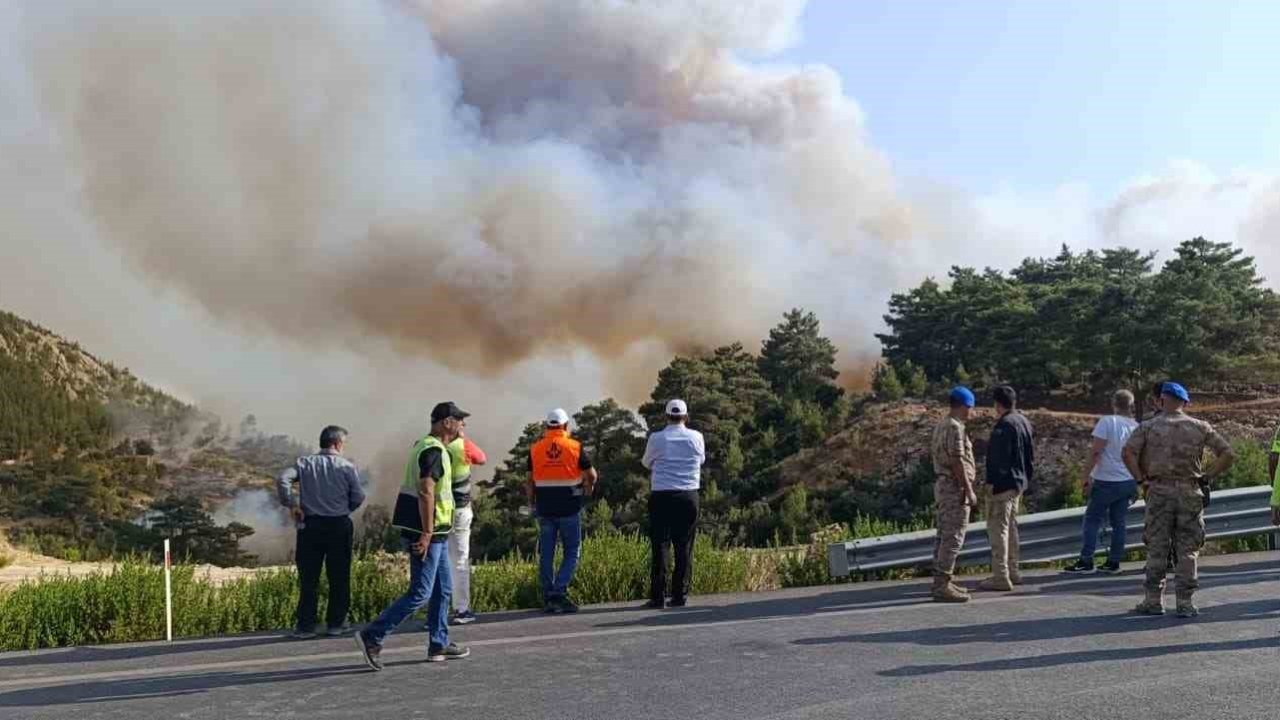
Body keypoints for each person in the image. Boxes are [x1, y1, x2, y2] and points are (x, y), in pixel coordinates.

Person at [354, 402, 471, 670]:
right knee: (421, 593)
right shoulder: (432, 449)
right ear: (446, 423)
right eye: (459, 419)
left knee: (443, 589)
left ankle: (438, 643)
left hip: (437, 533)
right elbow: (426, 491)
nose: (463, 424)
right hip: (426, 532)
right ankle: (372, 636)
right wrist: (428, 533)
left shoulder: (429, 446)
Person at [1123, 383, 1235, 618]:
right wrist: (1207, 476)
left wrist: (1141, 480)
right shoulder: (1200, 427)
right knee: (1188, 550)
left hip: (1159, 490)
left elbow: (1128, 453)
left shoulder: (1148, 427)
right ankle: (1185, 602)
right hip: (1189, 492)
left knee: (1157, 547)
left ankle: (1154, 600)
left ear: (1161, 401)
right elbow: (1228, 454)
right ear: (1184, 402)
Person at [277, 425, 365, 639]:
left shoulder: (304, 463)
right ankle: (336, 624)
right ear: (337, 443)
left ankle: (306, 626)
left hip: (310, 526)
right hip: (338, 525)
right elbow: (359, 496)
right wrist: (345, 509)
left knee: (309, 578)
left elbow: (282, 479)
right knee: (339, 576)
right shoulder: (346, 467)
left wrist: (292, 505)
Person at [527, 408, 597, 614]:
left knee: (546, 554)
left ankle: (549, 596)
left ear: (547, 426)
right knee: (572, 551)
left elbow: (529, 482)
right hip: (569, 508)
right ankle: (559, 593)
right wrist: (588, 488)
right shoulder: (575, 447)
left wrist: (531, 504)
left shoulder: (535, 449)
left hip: (545, 509)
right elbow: (591, 475)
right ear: (566, 426)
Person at [641, 399, 706, 609]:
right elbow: (701, 459)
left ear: (666, 416)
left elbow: (646, 462)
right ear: (686, 417)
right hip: (688, 496)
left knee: (660, 546)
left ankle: (658, 596)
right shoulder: (697, 437)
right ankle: (679, 595)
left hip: (661, 495)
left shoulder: (656, 438)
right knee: (684, 546)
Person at [1065, 390, 1139, 575]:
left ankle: (1086, 560)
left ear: (1114, 403)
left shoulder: (1108, 422)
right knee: (1119, 522)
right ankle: (1113, 562)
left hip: (1106, 480)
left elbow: (1096, 452)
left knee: (1092, 519)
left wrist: (1084, 477)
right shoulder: (1136, 426)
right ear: (1131, 405)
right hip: (1127, 480)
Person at [978, 385, 1033, 592]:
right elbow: (1030, 457)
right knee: (1011, 527)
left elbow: (997, 459)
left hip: (1003, 485)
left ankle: (1000, 575)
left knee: (997, 529)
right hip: (1018, 483)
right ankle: (1013, 571)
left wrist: (992, 485)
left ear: (997, 404)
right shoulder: (1023, 422)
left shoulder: (1004, 426)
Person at [929, 387, 979, 603]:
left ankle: (942, 581)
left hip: (944, 486)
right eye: (970, 407)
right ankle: (942, 585)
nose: (972, 412)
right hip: (954, 488)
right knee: (954, 536)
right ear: (964, 406)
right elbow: (958, 460)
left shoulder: (942, 424)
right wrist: (968, 490)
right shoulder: (955, 427)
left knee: (943, 534)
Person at [447, 428, 487, 625]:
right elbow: (481, 458)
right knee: (460, 560)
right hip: (459, 509)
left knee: (440, 561)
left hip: (437, 511)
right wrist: (463, 439)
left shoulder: (431, 445)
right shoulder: (461, 446)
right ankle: (461, 610)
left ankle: (435, 613)